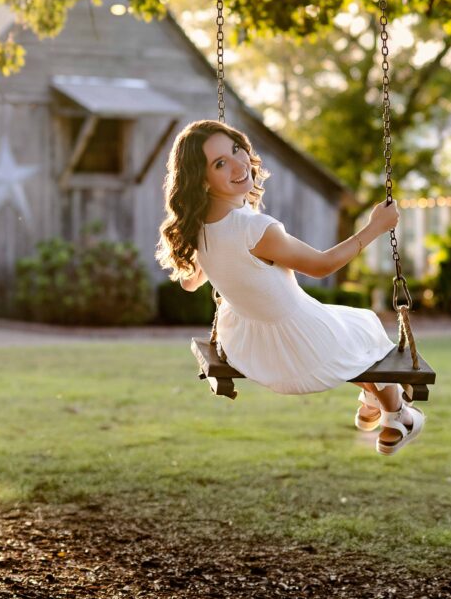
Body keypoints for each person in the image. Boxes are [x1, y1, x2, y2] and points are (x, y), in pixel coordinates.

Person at [156, 120, 424, 455]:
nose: (239, 165)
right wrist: (375, 227)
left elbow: (190, 281)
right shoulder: (256, 228)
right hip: (299, 346)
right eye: (220, 163)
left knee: (346, 334)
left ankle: (374, 395)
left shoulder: (196, 226)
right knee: (364, 327)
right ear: (203, 180)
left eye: (236, 150)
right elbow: (321, 265)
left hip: (248, 345)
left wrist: (215, 266)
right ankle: (399, 413)